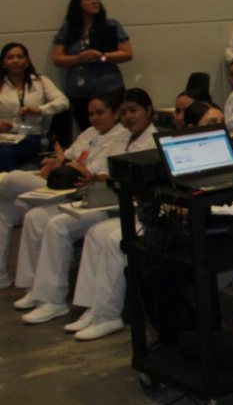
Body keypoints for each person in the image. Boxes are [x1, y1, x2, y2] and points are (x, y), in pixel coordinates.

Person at [68, 100, 233, 341]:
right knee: (145, 268)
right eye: (211, 123)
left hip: (222, 235)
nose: (219, 127)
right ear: (190, 129)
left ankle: (188, 339)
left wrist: (190, 210)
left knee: (161, 275)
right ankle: (173, 339)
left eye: (221, 122)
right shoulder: (181, 157)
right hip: (184, 234)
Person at [14, 89, 155, 325]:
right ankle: (53, 299)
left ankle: (98, 311)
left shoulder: (153, 140)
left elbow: (135, 181)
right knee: (55, 223)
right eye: (124, 112)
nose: (128, 117)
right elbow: (103, 171)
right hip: (104, 198)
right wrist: (98, 179)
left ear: (148, 111)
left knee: (89, 232)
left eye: (134, 110)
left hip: (127, 205)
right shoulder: (122, 139)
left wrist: (100, 178)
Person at [0, 90, 125, 291]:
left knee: (14, 177)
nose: (94, 118)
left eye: (100, 113)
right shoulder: (89, 132)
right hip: (58, 185)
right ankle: (13, 280)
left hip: (77, 190)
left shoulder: (120, 136)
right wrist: (57, 162)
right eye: (91, 114)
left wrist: (65, 162)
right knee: (4, 209)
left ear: (116, 113)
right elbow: (67, 156)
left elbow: (90, 172)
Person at [51, 0, 132, 146]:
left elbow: (127, 53)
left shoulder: (109, 24)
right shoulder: (69, 27)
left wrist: (101, 56)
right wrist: (79, 58)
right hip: (80, 93)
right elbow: (57, 58)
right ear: (78, 4)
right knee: (89, 135)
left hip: (109, 89)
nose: (94, 1)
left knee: (115, 133)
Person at [0, 42, 68, 171]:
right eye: (10, 57)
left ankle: (11, 187)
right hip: (4, 137)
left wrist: (39, 110)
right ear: (3, 63)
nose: (16, 61)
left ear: (27, 61)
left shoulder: (40, 81)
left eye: (20, 57)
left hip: (32, 136)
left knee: (4, 154)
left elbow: (63, 102)